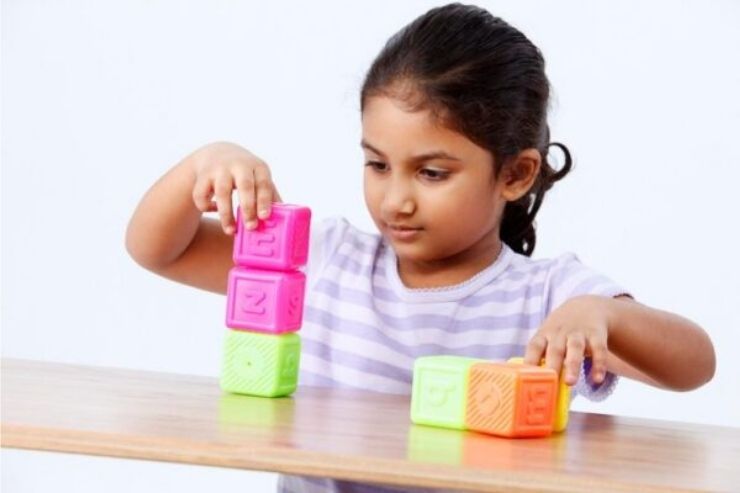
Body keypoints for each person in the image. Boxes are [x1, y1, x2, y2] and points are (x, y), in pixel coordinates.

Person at [125, 4, 716, 492]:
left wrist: (603, 315)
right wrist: (203, 163)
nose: (396, 200)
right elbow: (160, 250)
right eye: (378, 165)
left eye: (431, 173)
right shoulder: (328, 260)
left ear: (514, 175)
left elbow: (694, 365)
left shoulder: (547, 298)